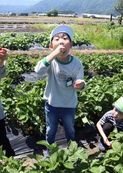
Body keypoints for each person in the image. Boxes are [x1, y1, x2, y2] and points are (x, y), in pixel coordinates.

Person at [34, 25, 86, 157]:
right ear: (51, 46)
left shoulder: (77, 63)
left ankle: (72, 148)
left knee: (70, 128)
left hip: (69, 104)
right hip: (52, 103)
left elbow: (81, 82)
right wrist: (53, 55)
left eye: (65, 38)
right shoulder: (51, 61)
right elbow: (38, 71)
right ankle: (48, 149)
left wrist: (81, 85)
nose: (61, 41)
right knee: (51, 129)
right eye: (56, 39)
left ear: (71, 44)